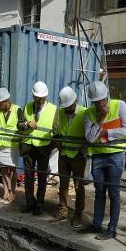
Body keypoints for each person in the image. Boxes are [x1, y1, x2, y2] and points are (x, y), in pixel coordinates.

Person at [81, 81, 126, 240]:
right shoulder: (89, 113)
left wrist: (105, 134)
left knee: (114, 193)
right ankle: (96, 224)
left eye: (102, 100)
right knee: (99, 192)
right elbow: (90, 138)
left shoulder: (120, 105)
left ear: (107, 96)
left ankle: (112, 229)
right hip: (98, 156)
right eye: (96, 102)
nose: (100, 104)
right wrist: (103, 117)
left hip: (115, 156)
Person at [17, 81, 56, 216]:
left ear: (46, 97)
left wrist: (51, 146)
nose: (39, 100)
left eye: (42, 98)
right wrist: (27, 124)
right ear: (33, 96)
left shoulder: (53, 109)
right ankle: (30, 203)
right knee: (28, 176)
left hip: (44, 148)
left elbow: (56, 131)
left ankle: (39, 204)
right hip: (29, 146)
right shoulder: (27, 107)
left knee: (42, 177)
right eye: (37, 98)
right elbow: (19, 125)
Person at [53, 86, 87, 227]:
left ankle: (78, 214)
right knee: (63, 184)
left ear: (75, 101)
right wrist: (57, 144)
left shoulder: (84, 113)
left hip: (78, 156)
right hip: (64, 154)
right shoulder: (60, 112)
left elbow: (88, 136)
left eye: (69, 106)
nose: (67, 109)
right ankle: (63, 210)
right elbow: (54, 130)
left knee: (78, 186)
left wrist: (82, 152)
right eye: (65, 107)